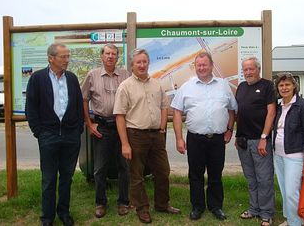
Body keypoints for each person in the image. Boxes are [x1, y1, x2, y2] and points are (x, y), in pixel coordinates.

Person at [113, 48, 180, 224]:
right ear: (132, 65)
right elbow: (119, 116)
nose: (142, 65)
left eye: (144, 62)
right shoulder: (125, 86)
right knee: (137, 175)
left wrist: (163, 127)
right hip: (135, 135)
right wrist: (125, 144)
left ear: (148, 63)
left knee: (163, 171)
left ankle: (162, 205)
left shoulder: (156, 84)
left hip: (157, 136)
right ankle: (142, 208)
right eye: (138, 62)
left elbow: (165, 106)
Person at [171, 52, 237, 221]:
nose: (201, 68)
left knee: (216, 174)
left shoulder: (223, 85)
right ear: (195, 66)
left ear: (211, 65)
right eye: (198, 65)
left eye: (204, 64)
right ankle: (197, 207)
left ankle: (216, 206)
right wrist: (179, 138)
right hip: (195, 139)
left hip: (217, 139)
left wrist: (229, 130)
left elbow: (231, 109)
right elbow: (177, 112)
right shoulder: (187, 86)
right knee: (195, 174)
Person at [25, 43, 84, 226]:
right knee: (49, 179)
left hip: (70, 136)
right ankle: (47, 217)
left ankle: (64, 213)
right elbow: (31, 109)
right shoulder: (37, 78)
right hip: (48, 136)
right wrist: (39, 133)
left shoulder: (72, 78)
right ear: (51, 58)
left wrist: (77, 129)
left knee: (67, 177)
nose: (67, 60)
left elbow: (78, 106)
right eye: (63, 57)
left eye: (68, 56)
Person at [81, 43, 131, 218]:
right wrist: (89, 123)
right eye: (107, 53)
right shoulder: (92, 75)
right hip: (102, 126)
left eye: (114, 54)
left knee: (124, 166)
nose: (110, 56)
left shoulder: (126, 75)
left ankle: (124, 202)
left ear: (117, 57)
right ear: (102, 56)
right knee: (99, 168)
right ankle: (100, 203)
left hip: (122, 127)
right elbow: (84, 99)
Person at [235, 56, 276, 226]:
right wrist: (237, 135)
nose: (248, 72)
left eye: (251, 69)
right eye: (245, 69)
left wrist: (263, 138)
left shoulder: (267, 86)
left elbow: (271, 113)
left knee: (264, 178)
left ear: (258, 69)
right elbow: (239, 112)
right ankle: (254, 209)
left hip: (260, 141)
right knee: (251, 178)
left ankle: (266, 212)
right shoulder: (241, 87)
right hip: (243, 141)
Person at [273, 72, 304, 226]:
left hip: (295, 155)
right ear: (278, 88)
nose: (284, 88)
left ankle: (297, 223)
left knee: (292, 192)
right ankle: (290, 219)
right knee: (285, 190)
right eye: (281, 85)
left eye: (287, 85)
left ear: (294, 86)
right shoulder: (279, 106)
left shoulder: (303, 105)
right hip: (278, 154)